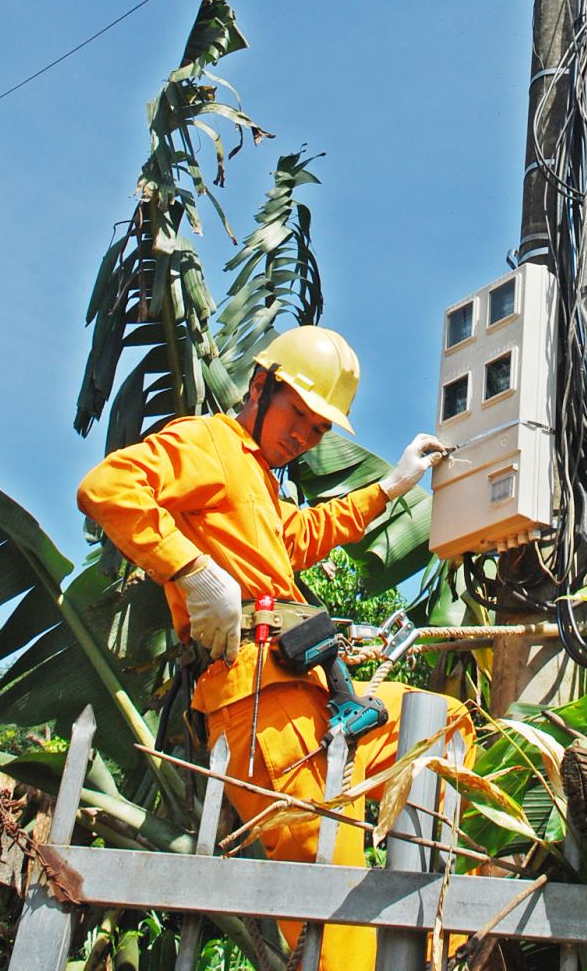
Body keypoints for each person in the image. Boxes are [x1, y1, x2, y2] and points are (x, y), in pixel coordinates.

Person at [78, 325, 474, 970]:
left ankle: (452, 947)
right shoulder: (207, 441)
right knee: (330, 875)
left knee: (442, 725)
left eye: (319, 431)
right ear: (261, 386)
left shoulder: (260, 482)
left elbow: (303, 533)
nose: (305, 437)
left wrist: (392, 487)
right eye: (300, 416)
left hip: (311, 688)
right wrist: (189, 569)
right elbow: (108, 487)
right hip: (254, 697)